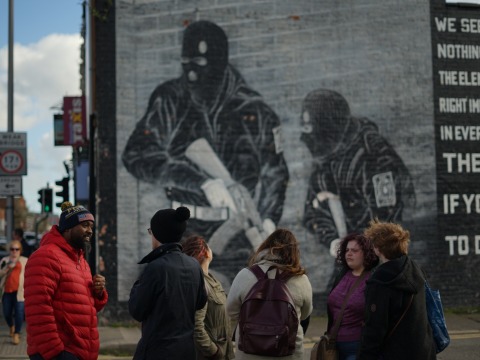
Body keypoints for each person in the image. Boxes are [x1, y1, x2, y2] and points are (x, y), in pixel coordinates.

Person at [122, 20, 289, 281]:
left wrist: (266, 218)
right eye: (185, 62)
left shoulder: (255, 110)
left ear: (220, 62)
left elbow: (275, 171)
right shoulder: (170, 99)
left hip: (237, 234)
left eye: (199, 65)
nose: (190, 74)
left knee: (237, 305)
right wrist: (201, 182)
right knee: (183, 305)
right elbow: (137, 154)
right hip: (183, 232)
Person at [300, 89, 415, 256]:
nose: (309, 137)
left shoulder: (374, 156)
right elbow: (311, 212)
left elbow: (387, 218)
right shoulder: (326, 157)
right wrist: (333, 240)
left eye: (313, 128)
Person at [24, 202, 108, 360]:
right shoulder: (46, 256)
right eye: (84, 225)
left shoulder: (80, 259)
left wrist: (98, 292)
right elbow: (37, 310)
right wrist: (55, 351)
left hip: (80, 350)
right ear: (68, 228)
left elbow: (86, 306)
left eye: (91, 226)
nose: (90, 230)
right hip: (60, 352)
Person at [129, 207, 208, 360]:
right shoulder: (193, 265)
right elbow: (201, 302)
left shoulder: (155, 267)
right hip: (186, 351)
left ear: (156, 233)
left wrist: (138, 284)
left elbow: (136, 310)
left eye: (150, 231)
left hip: (157, 352)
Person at [226, 228, 313, 359]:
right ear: (294, 252)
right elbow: (305, 314)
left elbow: (231, 311)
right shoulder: (300, 279)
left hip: (249, 353)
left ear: (266, 247)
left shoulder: (245, 275)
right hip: (287, 354)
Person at [357, 220, 436, 360]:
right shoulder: (415, 270)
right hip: (424, 351)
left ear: (377, 248)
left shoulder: (380, 281)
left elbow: (375, 328)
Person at [182, 235, 235, 360]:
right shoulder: (200, 284)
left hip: (223, 350)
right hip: (211, 355)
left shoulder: (211, 280)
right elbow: (197, 327)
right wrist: (214, 351)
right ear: (205, 252)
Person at [326, 233, 378, 360]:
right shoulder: (341, 275)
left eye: (354, 250)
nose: (349, 253)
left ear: (366, 253)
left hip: (357, 346)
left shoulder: (373, 280)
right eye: (347, 250)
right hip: (333, 345)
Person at [0, 239, 28, 345]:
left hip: (20, 292)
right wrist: (7, 268)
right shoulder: (4, 260)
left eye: (17, 249)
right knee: (7, 313)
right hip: (7, 292)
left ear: (20, 250)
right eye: (12, 249)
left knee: (19, 314)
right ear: (9, 250)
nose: (14, 251)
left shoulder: (25, 260)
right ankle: (11, 326)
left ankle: (16, 334)